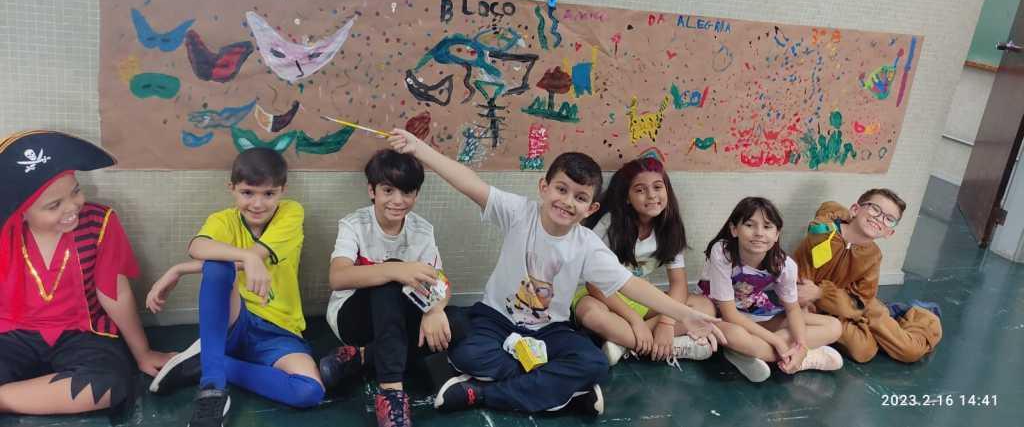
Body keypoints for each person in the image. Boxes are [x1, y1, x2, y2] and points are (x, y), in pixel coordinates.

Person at [387, 129, 725, 417]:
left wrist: (683, 315)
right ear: (544, 187)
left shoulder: (587, 244)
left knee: (594, 364)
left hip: (549, 330)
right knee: (467, 353)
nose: (567, 202)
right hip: (496, 319)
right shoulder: (519, 213)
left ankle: (483, 393)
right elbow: (468, 182)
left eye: (580, 197)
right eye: (561, 189)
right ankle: (568, 396)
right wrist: (420, 149)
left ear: (591, 208)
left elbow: (631, 284)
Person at [145, 148, 323, 427]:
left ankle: (209, 360)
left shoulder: (291, 213)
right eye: (247, 192)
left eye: (269, 193)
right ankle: (212, 386)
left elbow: (257, 255)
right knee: (218, 266)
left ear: (283, 191)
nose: (258, 204)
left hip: (280, 329)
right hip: (235, 321)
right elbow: (198, 247)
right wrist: (246, 258)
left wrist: (179, 269)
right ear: (232, 188)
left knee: (308, 391)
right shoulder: (223, 220)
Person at [0, 130, 173, 415]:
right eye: (54, 205)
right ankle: (30, 396)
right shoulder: (5, 232)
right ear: (22, 211)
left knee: (109, 385)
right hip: (11, 333)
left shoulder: (99, 222)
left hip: (83, 332)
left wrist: (142, 353)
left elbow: (114, 292)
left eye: (75, 191)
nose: (72, 207)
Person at [319, 148, 464, 427]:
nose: (398, 201)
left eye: (407, 192)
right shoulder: (354, 224)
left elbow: (441, 285)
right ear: (372, 191)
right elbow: (337, 278)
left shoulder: (422, 230)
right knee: (388, 284)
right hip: (353, 319)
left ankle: (362, 358)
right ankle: (391, 394)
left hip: (396, 320)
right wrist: (395, 269)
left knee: (456, 323)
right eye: (388, 191)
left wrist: (435, 311)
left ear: (416, 194)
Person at [575, 156, 717, 365]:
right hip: (601, 296)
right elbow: (594, 285)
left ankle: (623, 345)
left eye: (657, 187)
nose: (651, 195)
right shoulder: (610, 224)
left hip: (639, 296)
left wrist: (666, 324)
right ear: (627, 197)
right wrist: (634, 320)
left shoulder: (670, 228)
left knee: (704, 307)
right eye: (640, 190)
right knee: (590, 314)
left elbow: (679, 284)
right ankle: (672, 346)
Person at [697, 196, 844, 382]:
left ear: (776, 234)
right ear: (734, 229)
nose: (759, 233)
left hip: (758, 315)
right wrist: (776, 341)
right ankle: (795, 359)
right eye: (749, 225)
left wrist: (801, 345)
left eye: (767, 227)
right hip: (724, 317)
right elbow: (730, 315)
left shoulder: (785, 265)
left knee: (834, 326)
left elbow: (793, 309)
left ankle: (765, 354)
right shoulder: (722, 252)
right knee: (733, 334)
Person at [792, 190, 942, 363]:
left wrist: (822, 293)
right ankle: (891, 314)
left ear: (889, 233)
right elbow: (828, 208)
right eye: (875, 209)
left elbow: (860, 302)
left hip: (859, 305)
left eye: (889, 219)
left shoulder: (873, 256)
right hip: (829, 309)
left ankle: (919, 313)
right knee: (864, 351)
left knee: (909, 350)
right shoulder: (823, 233)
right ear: (855, 209)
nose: (879, 219)